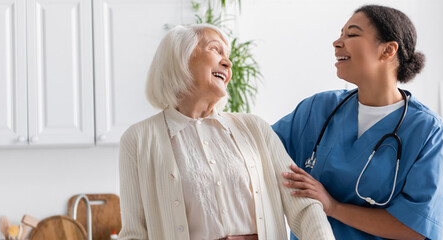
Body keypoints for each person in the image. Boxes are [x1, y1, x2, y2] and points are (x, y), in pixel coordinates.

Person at [118, 24, 334, 240]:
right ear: (180, 57)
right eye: (215, 50)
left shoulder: (255, 128)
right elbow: (134, 233)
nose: (228, 63)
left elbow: (304, 207)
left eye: (227, 56)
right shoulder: (138, 139)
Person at [273, 5, 443, 240]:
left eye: (352, 34)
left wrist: (332, 207)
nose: (337, 42)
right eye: (340, 34)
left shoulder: (427, 131)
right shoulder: (318, 109)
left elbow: (416, 228)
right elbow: (257, 155)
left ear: (388, 50)